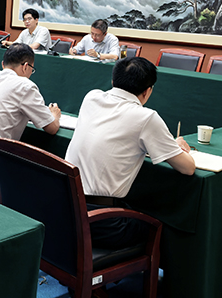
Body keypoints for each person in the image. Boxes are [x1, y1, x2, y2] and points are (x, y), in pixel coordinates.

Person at [65, 57, 195, 248]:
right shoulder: (146, 117)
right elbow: (188, 168)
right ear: (147, 91)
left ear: (113, 81)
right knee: (160, 226)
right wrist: (176, 146)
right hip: (101, 222)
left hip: (66, 209)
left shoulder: (91, 97)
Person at [0, 43, 61, 159]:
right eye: (32, 70)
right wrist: (55, 115)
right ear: (25, 66)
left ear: (3, 64)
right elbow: (52, 128)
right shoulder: (25, 86)